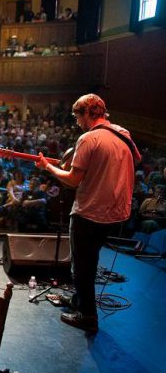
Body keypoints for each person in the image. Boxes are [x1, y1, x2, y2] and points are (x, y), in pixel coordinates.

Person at [36, 94, 140, 333]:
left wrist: (48, 167)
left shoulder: (89, 138)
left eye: (77, 117)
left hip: (90, 212)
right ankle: (79, 301)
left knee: (82, 266)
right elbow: (133, 159)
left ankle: (88, 316)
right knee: (90, 260)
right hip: (117, 213)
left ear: (87, 114)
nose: (76, 122)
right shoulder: (122, 133)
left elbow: (72, 180)